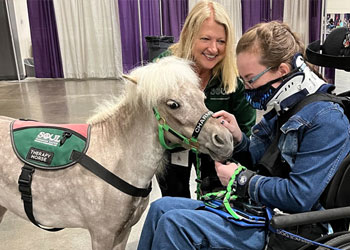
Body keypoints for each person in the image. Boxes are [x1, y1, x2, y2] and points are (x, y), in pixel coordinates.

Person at [137, 21, 350, 250]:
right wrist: (239, 140)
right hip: (265, 209)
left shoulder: (327, 120)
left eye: (250, 79)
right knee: (162, 207)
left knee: (175, 224)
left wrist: (241, 180)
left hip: (294, 227)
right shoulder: (285, 109)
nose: (247, 88)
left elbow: (299, 197)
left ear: (282, 72)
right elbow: (260, 160)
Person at [155, 0, 256, 199]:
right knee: (174, 201)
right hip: (175, 148)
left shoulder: (233, 77)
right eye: (206, 39)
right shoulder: (165, 68)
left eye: (221, 41)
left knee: (216, 202)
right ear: (190, 36)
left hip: (216, 148)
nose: (213, 49)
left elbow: (246, 130)